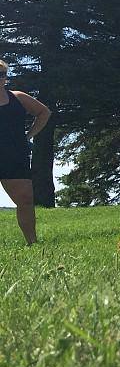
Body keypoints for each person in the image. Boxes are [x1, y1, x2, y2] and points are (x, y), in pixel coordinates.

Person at [0, 60, 50, 245]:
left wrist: (29, 135)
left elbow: (44, 113)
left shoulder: (18, 98)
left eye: (2, 74)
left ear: (5, 77)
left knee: (26, 201)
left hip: (15, 156)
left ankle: (32, 243)